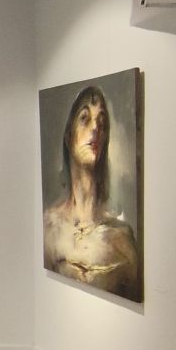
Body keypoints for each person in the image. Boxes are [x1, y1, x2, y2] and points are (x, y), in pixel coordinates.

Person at [42, 85, 140, 300]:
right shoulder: (50, 226)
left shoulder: (122, 238)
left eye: (102, 123)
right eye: (84, 119)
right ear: (69, 136)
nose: (95, 128)